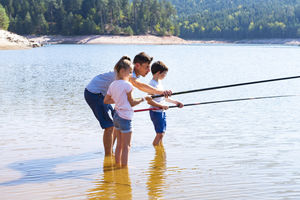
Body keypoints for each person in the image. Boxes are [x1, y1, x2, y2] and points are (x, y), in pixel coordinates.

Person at [84, 52, 172, 156]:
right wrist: (161, 92)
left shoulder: (130, 73)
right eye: (147, 67)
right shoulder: (129, 73)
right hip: (94, 93)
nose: (149, 70)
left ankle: (111, 154)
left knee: (115, 122)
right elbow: (140, 86)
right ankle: (108, 156)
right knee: (109, 126)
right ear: (138, 65)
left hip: (103, 95)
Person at [103, 57, 151, 167]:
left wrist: (119, 99)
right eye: (129, 72)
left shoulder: (112, 84)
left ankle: (117, 165)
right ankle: (124, 169)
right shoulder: (128, 85)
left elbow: (106, 101)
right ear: (122, 71)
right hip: (125, 118)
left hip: (116, 117)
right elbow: (132, 103)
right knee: (126, 146)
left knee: (119, 145)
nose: (130, 75)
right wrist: (144, 98)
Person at [146, 61, 184, 146]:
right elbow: (149, 100)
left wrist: (176, 103)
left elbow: (164, 98)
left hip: (161, 111)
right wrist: (161, 106)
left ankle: (160, 150)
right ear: (159, 73)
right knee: (160, 134)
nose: (165, 76)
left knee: (162, 134)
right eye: (165, 73)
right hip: (155, 112)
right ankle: (156, 151)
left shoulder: (159, 83)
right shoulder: (151, 84)